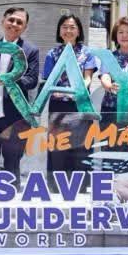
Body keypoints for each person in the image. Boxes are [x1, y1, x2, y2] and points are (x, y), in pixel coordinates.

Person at [0, 6, 40, 185]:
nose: (14, 24)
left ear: (25, 27)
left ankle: (12, 201)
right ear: (3, 21)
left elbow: (31, 81)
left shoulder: (30, 50)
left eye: (20, 22)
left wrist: (6, 80)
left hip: (15, 118)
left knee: (12, 163)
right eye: (11, 20)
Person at [42, 12, 98, 183]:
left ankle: (81, 185)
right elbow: (48, 80)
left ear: (79, 31)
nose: (68, 30)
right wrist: (55, 91)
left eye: (72, 27)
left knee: (81, 146)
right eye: (64, 27)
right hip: (58, 106)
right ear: (59, 31)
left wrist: (79, 90)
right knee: (58, 146)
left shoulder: (87, 53)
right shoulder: (52, 53)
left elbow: (88, 78)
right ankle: (56, 184)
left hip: (79, 105)